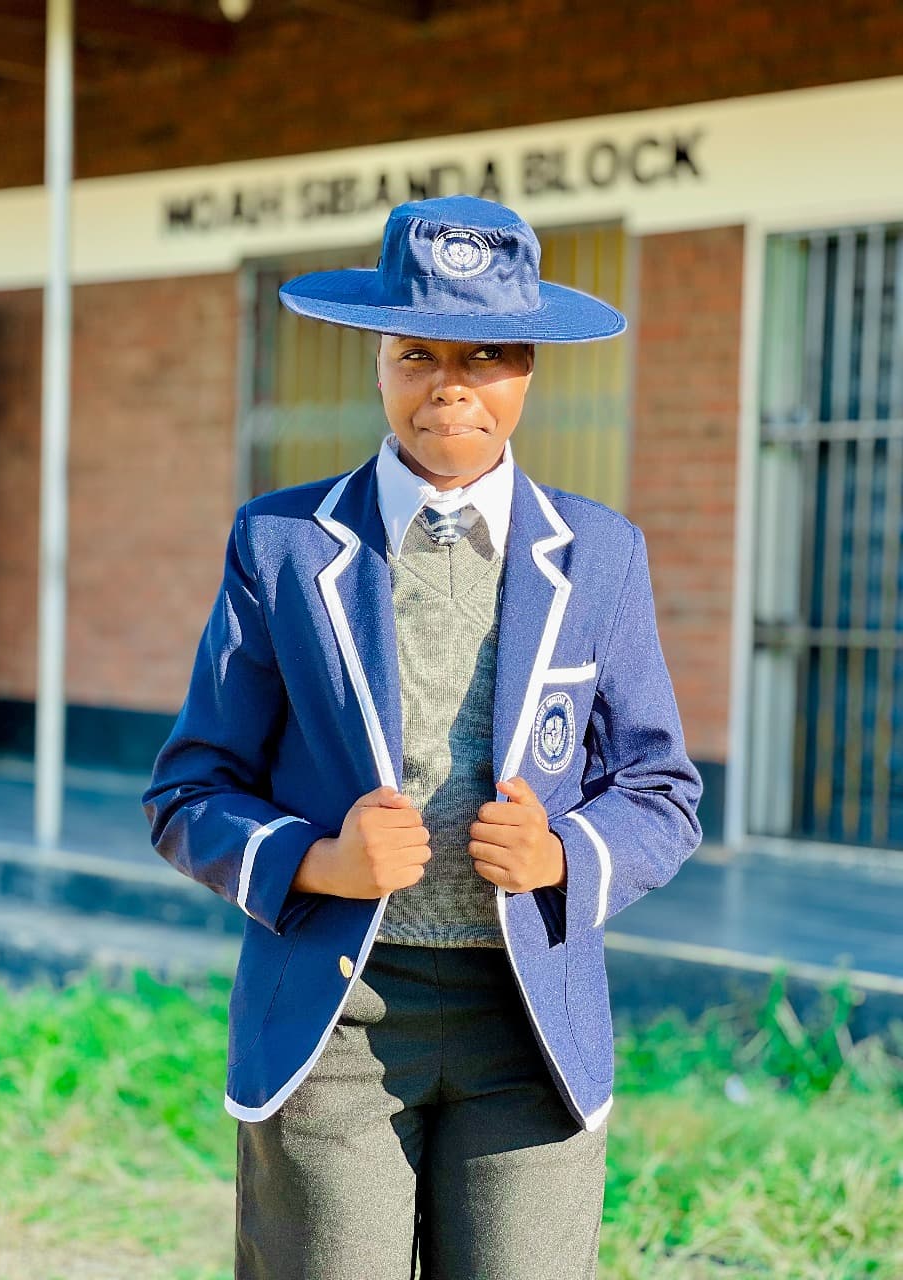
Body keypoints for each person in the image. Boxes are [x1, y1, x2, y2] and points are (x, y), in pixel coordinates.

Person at [142, 194, 703, 1280]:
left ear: (530, 369)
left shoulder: (600, 554)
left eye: (485, 355)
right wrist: (320, 860)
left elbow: (660, 789)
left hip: (527, 1023)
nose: (450, 384)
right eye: (417, 353)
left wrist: (561, 855)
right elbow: (188, 790)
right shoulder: (283, 544)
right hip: (336, 1021)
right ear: (378, 362)